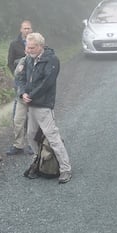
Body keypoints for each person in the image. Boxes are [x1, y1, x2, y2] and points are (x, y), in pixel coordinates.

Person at [21, 32, 72, 184]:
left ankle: (65, 169)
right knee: (30, 135)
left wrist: (31, 95)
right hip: (31, 105)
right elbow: (23, 78)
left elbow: (47, 82)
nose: (29, 50)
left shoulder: (52, 60)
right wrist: (23, 93)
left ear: (40, 46)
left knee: (52, 137)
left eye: (32, 47)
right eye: (28, 47)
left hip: (43, 105)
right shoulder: (29, 59)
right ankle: (41, 162)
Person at [6, 20, 34, 155]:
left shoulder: (36, 43)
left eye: (29, 28)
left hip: (34, 85)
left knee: (32, 116)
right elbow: (10, 62)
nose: (27, 30)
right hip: (19, 85)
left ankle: (31, 143)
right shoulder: (14, 44)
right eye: (25, 28)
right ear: (21, 29)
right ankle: (18, 145)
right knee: (18, 118)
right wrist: (17, 75)